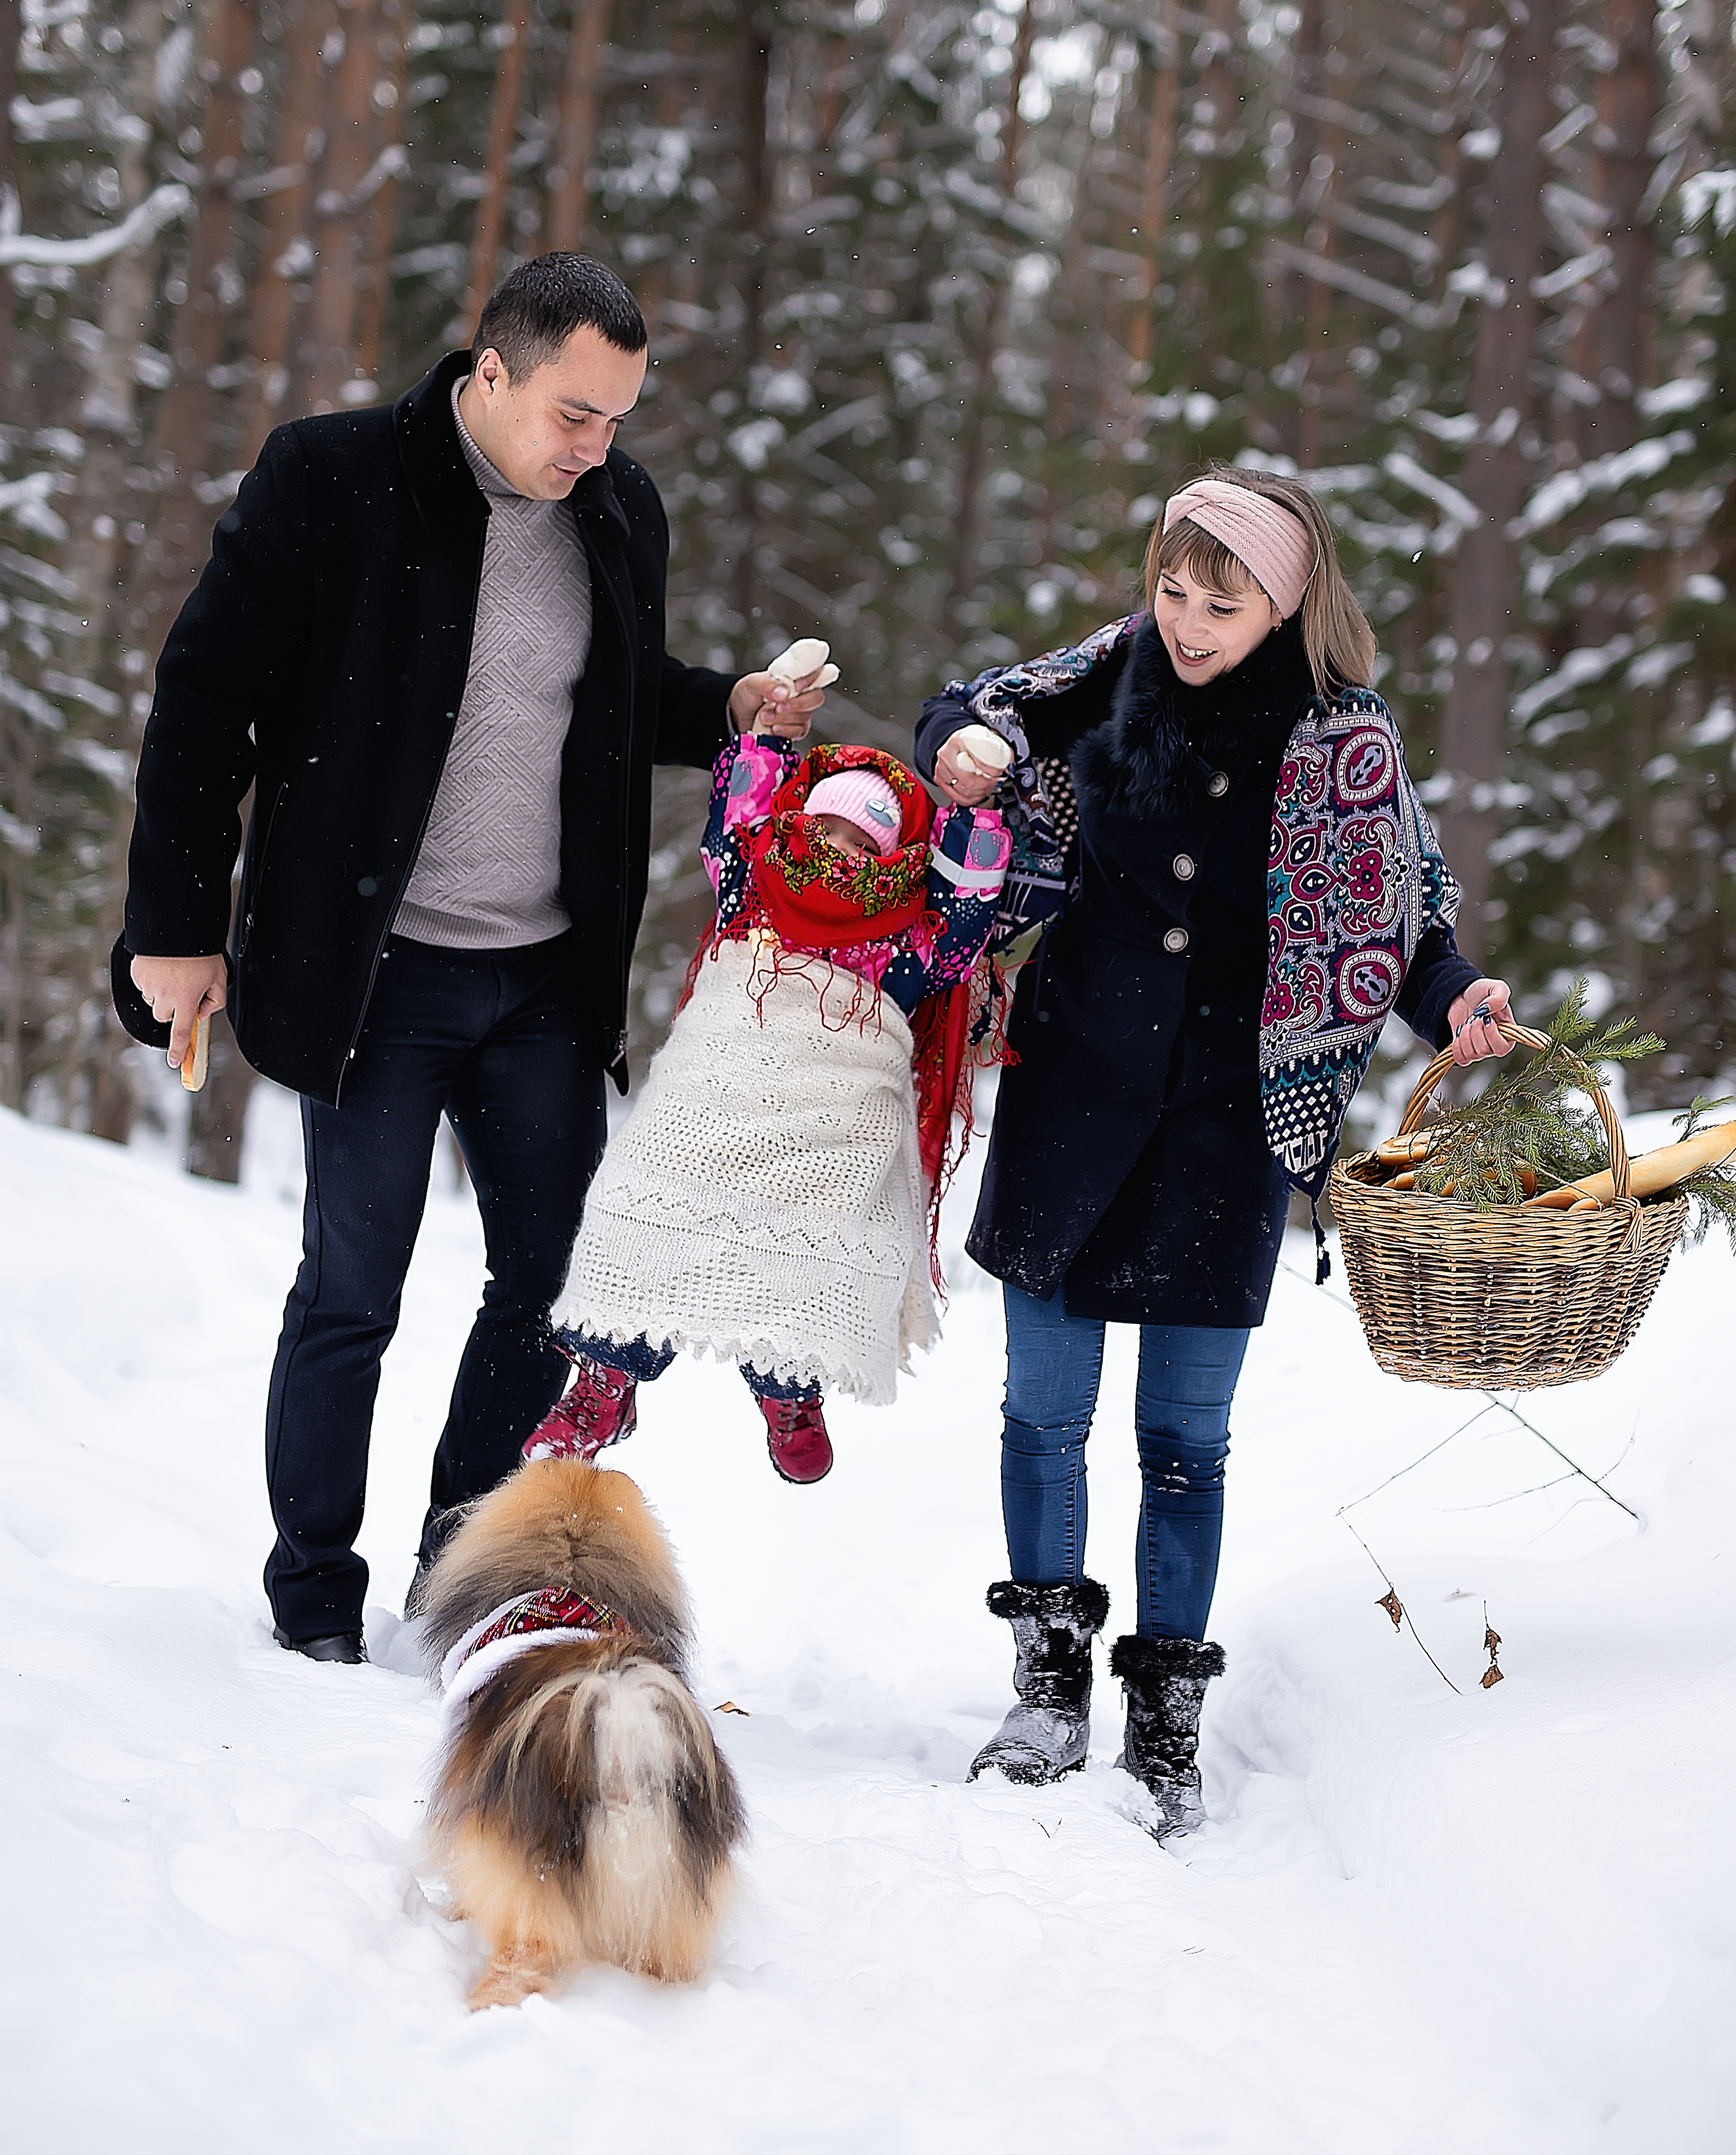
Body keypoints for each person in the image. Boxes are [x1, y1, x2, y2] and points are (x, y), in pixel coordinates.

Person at [113, 254, 823, 1664]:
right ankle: (314, 1595)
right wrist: (177, 928)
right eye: (575, 412)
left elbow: (607, 696)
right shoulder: (331, 479)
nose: (597, 446)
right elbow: (203, 703)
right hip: (374, 971)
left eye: (618, 418)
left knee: (553, 1286)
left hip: (543, 980)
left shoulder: (615, 507)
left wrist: (727, 707)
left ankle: (464, 1565)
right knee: (352, 1289)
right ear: (489, 373)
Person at [914, 469, 1512, 1834]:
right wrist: (967, 745)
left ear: (1285, 604)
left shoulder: (1346, 741)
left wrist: (1452, 1001)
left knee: (1185, 1438)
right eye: (1172, 590)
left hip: (1229, 1120)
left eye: (1219, 603)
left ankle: (1165, 1717)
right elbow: (974, 709)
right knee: (1042, 1412)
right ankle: (1047, 1685)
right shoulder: (1111, 673)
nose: (1184, 622)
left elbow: (1405, 917)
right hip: (1073, 1088)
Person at [521, 731, 1011, 1482]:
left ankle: (789, 1385)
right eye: (828, 829)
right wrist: (770, 738)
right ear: (797, 825)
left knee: (816, 1235)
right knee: (640, 1209)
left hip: (833, 1113)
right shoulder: (752, 888)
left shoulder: (907, 941)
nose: (841, 851)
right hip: (714, 1092)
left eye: (865, 843)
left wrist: (972, 812)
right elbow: (736, 821)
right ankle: (603, 1385)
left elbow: (967, 912)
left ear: (894, 861)